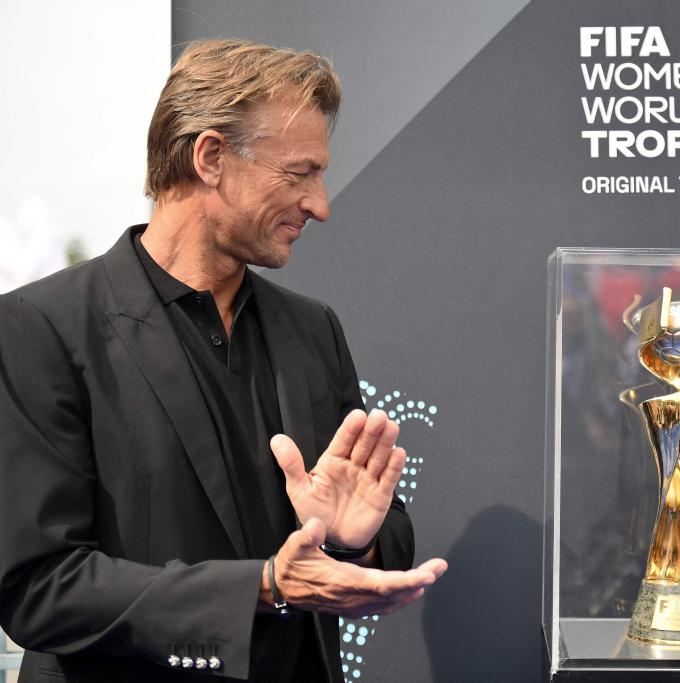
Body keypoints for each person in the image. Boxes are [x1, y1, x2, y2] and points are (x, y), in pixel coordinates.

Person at [0, 38, 446, 682]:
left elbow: (383, 534)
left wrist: (351, 540)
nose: (320, 205)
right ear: (211, 157)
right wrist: (263, 587)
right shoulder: (43, 326)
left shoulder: (312, 329)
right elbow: (39, 588)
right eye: (298, 174)